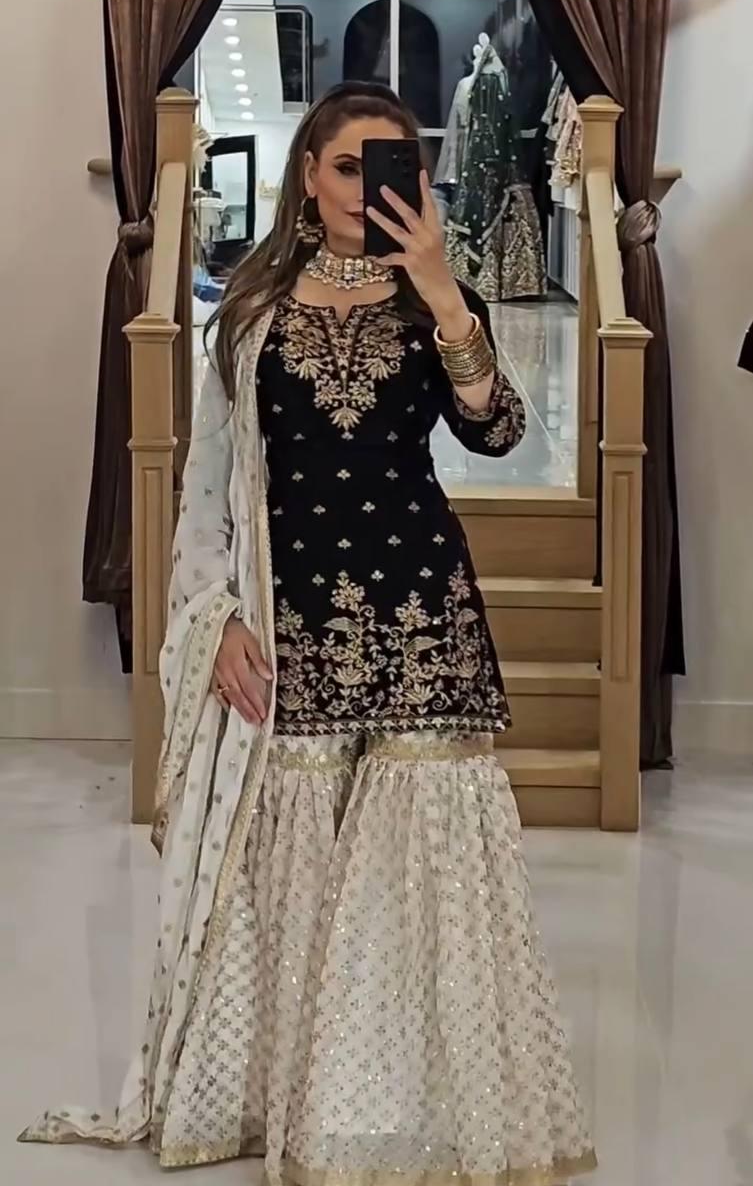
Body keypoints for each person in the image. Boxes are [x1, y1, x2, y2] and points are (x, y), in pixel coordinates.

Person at [21, 81, 596, 1184]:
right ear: (308, 176)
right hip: (292, 617)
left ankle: (413, 1105)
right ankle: (306, 1102)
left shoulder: (437, 296)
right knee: (299, 877)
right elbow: (206, 485)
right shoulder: (251, 310)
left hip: (420, 613)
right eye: (346, 167)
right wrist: (218, 617)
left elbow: (497, 431)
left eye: (391, 167)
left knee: (412, 875)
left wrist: (444, 293)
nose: (366, 189)